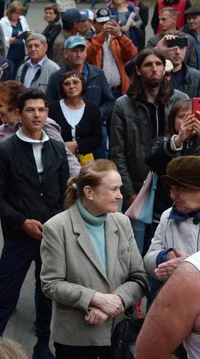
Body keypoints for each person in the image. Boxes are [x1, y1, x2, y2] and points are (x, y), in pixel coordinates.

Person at [0, 88, 69, 359]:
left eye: (41, 109)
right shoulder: (6, 149)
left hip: (50, 234)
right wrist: (22, 222)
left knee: (46, 292)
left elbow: (64, 190)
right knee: (5, 294)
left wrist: (54, 224)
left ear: (47, 113)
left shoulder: (56, 147)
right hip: (18, 235)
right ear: (19, 114)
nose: (36, 115)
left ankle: (42, 344)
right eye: (30, 110)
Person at [40, 160, 146, 358]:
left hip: (117, 335)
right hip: (76, 340)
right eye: (114, 189)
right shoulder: (57, 228)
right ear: (89, 192)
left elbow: (139, 276)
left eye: (120, 189)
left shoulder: (122, 222)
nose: (120, 195)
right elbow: (51, 284)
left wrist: (116, 303)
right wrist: (95, 299)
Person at [110, 49, 188, 248]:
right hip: (138, 183)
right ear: (137, 70)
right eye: (148, 65)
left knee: (171, 244)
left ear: (164, 68)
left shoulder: (180, 99)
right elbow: (117, 151)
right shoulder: (124, 104)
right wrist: (127, 192)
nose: (154, 69)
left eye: (158, 64)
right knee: (135, 246)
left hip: (172, 184)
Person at [135, 166, 200, 358]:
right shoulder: (167, 217)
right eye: (171, 188)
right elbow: (147, 260)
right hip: (169, 313)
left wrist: (188, 268)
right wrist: (164, 257)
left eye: (180, 189)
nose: (173, 195)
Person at [146, 99, 200, 233]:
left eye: (194, 116)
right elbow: (151, 160)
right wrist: (178, 140)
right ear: (172, 120)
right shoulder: (162, 141)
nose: (189, 121)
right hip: (163, 212)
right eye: (183, 117)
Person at [46, 35, 114, 126]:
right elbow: (49, 104)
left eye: (81, 50)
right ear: (65, 53)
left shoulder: (98, 74)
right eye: (74, 51)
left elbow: (109, 101)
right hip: (67, 128)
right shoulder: (56, 77)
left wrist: (97, 116)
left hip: (95, 126)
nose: (78, 54)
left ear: (86, 53)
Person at [48, 71, 103, 158]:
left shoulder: (92, 109)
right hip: (58, 158)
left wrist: (78, 145)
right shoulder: (52, 109)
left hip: (85, 161)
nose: (72, 86)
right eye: (67, 84)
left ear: (82, 84)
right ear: (62, 88)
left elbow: (97, 138)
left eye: (75, 82)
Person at [86, 7, 138, 98]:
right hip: (99, 92)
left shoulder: (118, 39)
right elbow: (88, 57)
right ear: (94, 23)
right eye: (101, 23)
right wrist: (102, 35)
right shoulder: (87, 40)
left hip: (118, 90)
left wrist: (120, 36)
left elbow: (132, 54)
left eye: (107, 22)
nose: (105, 26)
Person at [155, 32, 200, 98]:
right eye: (173, 47)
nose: (178, 52)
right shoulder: (155, 74)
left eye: (181, 47)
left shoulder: (197, 77)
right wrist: (157, 49)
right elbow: (137, 67)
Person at [0, 1, 30, 79]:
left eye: (19, 13)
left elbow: (26, 29)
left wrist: (29, 33)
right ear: (10, 12)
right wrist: (12, 40)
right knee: (10, 73)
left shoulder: (22, 19)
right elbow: (2, 38)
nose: (18, 15)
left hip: (21, 52)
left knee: (19, 73)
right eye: (16, 13)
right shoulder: (3, 22)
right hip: (10, 52)